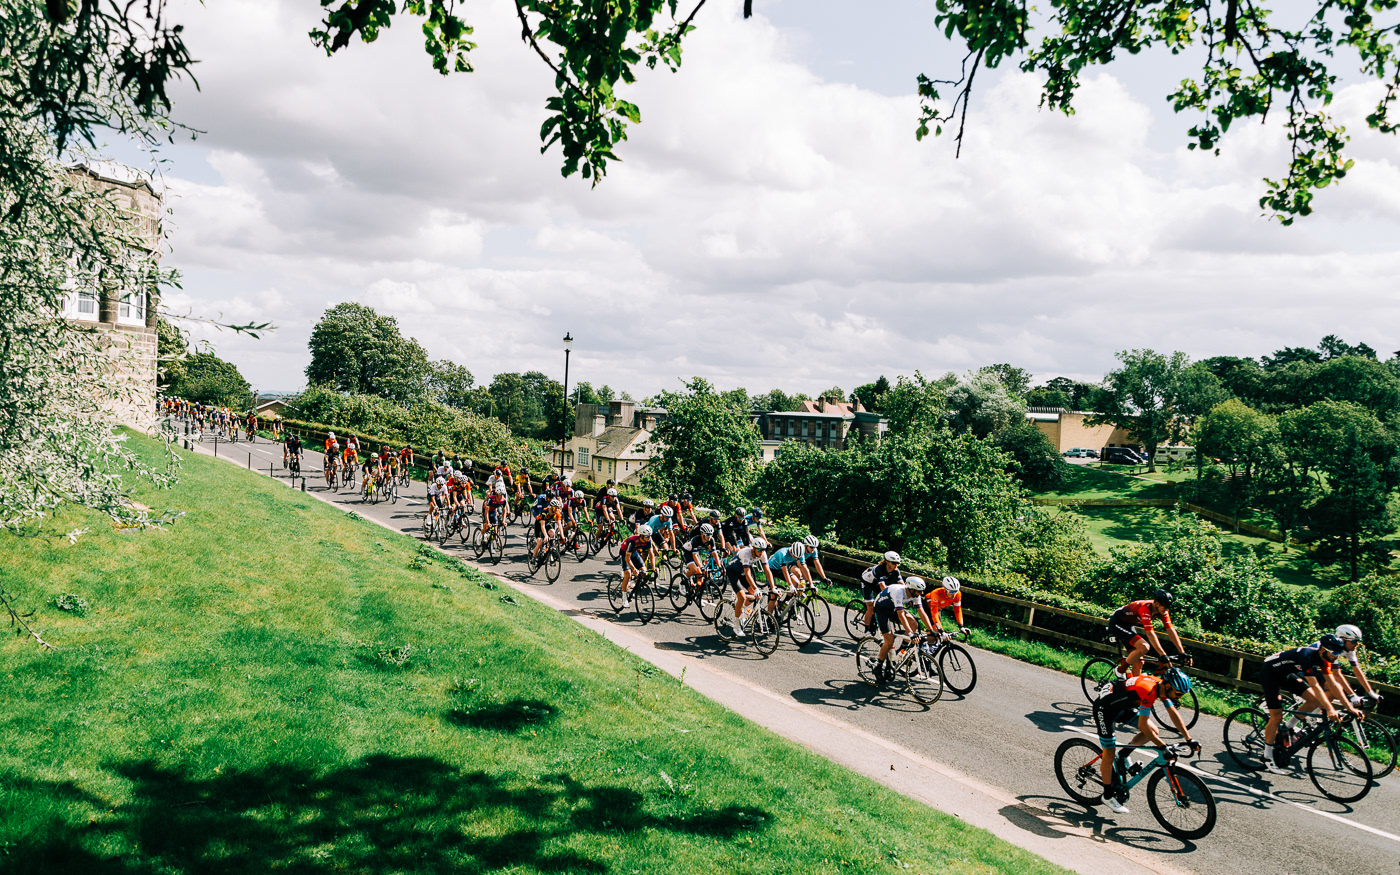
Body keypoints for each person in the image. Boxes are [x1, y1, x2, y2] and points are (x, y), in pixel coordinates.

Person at [1092, 668, 1200, 814]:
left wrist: (1189, 739)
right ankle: (1107, 796)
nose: (1179, 698)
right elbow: (1143, 725)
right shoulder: (1149, 691)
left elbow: (1172, 713)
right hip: (1105, 710)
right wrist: (1162, 747)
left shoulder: (1161, 686)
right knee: (1109, 754)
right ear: (1169, 686)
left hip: (1123, 706)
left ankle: (1123, 755)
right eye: (1178, 694)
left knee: (1153, 731)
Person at [1258, 634, 1365, 774]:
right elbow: (1315, 686)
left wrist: (1350, 708)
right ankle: (1267, 756)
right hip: (1270, 674)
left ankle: (1287, 727)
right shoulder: (1307, 656)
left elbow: (1333, 684)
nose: (1336, 657)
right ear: (1323, 650)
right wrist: (1330, 709)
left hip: (1287, 674)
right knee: (1276, 717)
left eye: (1339, 654)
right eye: (1334, 653)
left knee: (1314, 701)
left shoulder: (1325, 659)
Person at [1107, 589, 1188, 679]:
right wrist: (1162, 654)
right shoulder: (1145, 608)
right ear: (1156, 603)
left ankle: (1133, 685)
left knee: (1139, 661)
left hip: (1129, 625)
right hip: (1117, 623)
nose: (1166, 610)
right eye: (1164, 607)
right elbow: (1150, 634)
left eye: (1168, 607)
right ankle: (1120, 670)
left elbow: (1171, 630)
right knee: (1144, 647)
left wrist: (1182, 652)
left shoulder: (1162, 611)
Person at [871, 576, 934, 681]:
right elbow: (901, 615)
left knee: (914, 624)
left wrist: (931, 630)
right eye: (919, 591)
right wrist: (910, 634)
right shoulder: (899, 592)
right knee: (889, 641)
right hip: (881, 608)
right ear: (912, 590)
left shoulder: (915, 594)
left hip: (893, 608)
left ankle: (901, 650)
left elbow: (922, 612)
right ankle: (878, 666)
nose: (922, 593)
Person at [721, 537, 770, 638]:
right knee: (742, 596)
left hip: (742, 573)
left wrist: (773, 588)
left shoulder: (763, 554)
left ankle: (742, 611)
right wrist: (756, 588)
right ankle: (736, 626)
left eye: (763, 550)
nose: (761, 552)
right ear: (753, 548)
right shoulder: (746, 553)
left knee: (754, 596)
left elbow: (767, 570)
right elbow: (748, 574)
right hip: (733, 572)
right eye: (759, 550)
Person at [1332, 624, 1383, 706]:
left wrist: (1371, 693)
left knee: (1334, 689)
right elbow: (1336, 674)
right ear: (1342, 640)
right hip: (1311, 669)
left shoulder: (1349, 649)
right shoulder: (1332, 649)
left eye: (1358, 641)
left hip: (1318, 670)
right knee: (1334, 688)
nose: (1357, 644)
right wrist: (1352, 696)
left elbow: (1357, 670)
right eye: (1354, 641)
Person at [860, 551, 903, 632]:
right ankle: (867, 630)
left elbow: (902, 585)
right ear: (887, 562)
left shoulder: (896, 571)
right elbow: (882, 586)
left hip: (876, 583)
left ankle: (874, 618)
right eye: (894, 563)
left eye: (897, 563)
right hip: (867, 583)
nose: (896, 565)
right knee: (870, 606)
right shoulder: (879, 569)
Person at [619, 524, 658, 608]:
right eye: (647, 536)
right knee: (628, 574)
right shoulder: (633, 541)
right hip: (625, 553)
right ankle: (624, 599)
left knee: (644, 573)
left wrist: (653, 568)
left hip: (634, 553)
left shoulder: (648, 540)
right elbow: (627, 558)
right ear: (641, 535)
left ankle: (632, 584)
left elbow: (651, 554)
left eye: (650, 536)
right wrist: (634, 569)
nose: (649, 538)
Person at [680, 523, 720, 587]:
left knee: (700, 574)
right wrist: (701, 567)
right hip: (687, 552)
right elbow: (694, 555)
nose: (709, 536)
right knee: (694, 569)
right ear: (702, 534)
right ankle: (682, 583)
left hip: (695, 553)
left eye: (711, 534)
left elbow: (715, 554)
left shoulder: (711, 540)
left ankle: (697, 590)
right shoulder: (696, 540)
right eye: (707, 534)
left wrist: (720, 567)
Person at [531, 498, 565, 563]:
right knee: (540, 543)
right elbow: (542, 526)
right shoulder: (545, 512)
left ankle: (549, 551)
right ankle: (533, 557)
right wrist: (546, 536)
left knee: (553, 533)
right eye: (555, 508)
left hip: (547, 523)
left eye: (558, 508)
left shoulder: (557, 513)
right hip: (539, 524)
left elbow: (559, 525)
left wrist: (562, 536)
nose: (557, 509)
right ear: (551, 507)